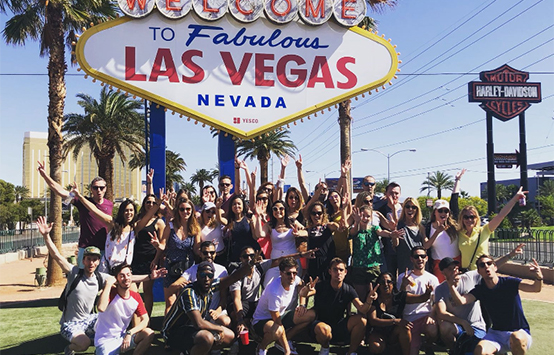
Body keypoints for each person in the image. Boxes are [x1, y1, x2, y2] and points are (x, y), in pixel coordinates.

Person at [36, 217, 164, 355]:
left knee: (113, 321)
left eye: (95, 259)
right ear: (83, 260)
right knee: (84, 343)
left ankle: (115, 342)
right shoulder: (74, 273)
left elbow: (126, 278)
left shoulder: (100, 277)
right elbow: (56, 256)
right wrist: (46, 235)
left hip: (90, 320)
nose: (91, 263)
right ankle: (70, 348)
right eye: (88, 259)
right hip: (71, 323)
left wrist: (150, 277)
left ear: (98, 262)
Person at [434, 245, 527, 354]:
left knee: (480, 350)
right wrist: (462, 322)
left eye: (455, 267)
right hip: (457, 325)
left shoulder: (470, 277)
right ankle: (454, 350)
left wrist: (510, 255)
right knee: (445, 327)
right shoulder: (440, 289)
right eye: (450, 269)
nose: (454, 270)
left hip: (476, 326)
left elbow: (490, 267)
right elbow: (441, 313)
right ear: (443, 273)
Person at [447, 254, 543, 355]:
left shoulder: (509, 283)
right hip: (496, 334)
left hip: (519, 331)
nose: (486, 267)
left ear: (495, 267)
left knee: (516, 338)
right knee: (480, 351)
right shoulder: (480, 289)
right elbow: (461, 301)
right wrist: (451, 286)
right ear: (479, 271)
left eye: (489, 263)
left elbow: (535, 288)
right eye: (482, 265)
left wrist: (539, 277)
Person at [161, 260, 256, 355]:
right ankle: (184, 350)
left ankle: (189, 351)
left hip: (191, 329)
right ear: (197, 276)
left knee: (229, 336)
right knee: (207, 338)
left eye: (210, 276)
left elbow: (233, 278)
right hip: (173, 332)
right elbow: (199, 323)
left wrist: (250, 264)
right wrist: (219, 329)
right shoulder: (189, 293)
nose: (206, 279)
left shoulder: (210, 286)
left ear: (213, 277)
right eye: (202, 275)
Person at [37, 161, 113, 268]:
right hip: (85, 249)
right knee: (82, 280)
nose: (99, 190)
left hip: (104, 250)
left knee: (103, 282)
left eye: (102, 188)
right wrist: (45, 175)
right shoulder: (82, 201)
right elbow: (61, 192)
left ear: (106, 188)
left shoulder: (110, 205)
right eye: (95, 188)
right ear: (91, 189)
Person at [71, 185, 161, 275]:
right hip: (108, 268)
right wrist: (79, 195)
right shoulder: (112, 224)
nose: (129, 213)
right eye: (126, 210)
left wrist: (158, 204)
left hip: (124, 269)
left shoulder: (134, 227)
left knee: (131, 289)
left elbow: (149, 215)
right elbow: (94, 210)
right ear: (121, 211)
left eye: (131, 210)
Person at [309, 258, 379, 355]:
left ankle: (351, 352)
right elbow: (304, 294)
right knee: (324, 330)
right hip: (320, 324)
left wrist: (369, 300)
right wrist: (303, 302)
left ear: (345, 272)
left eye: (341, 270)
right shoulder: (321, 286)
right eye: (335, 269)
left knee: (362, 320)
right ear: (330, 271)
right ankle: (325, 347)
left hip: (339, 325)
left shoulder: (348, 289)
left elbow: (362, 308)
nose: (338, 273)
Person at [251, 257, 315, 355]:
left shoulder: (295, 279)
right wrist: (287, 351)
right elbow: (278, 323)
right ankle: (262, 347)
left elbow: (302, 289)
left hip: (281, 315)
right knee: (277, 330)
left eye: (295, 273)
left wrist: (302, 303)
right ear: (281, 273)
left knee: (310, 315)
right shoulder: (274, 292)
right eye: (288, 273)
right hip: (262, 321)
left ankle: (281, 342)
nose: (292, 276)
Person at [457, 187, 527, 270]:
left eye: (472, 217)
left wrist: (514, 199)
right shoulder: (458, 234)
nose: (469, 220)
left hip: (483, 273)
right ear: (462, 218)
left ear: (476, 218)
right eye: (466, 217)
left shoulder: (484, 230)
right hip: (467, 275)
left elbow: (501, 215)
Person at [367, 272, 433, 355]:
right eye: (382, 282)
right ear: (378, 285)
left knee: (405, 328)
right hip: (378, 332)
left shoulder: (400, 296)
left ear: (393, 283)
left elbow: (421, 298)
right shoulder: (374, 298)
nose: (386, 284)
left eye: (389, 282)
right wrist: (395, 321)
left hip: (394, 333)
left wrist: (428, 293)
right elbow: (373, 320)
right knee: (376, 346)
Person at [94, 263, 155, 355]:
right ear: (116, 279)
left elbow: (145, 319)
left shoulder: (135, 296)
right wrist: (108, 284)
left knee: (148, 333)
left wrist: (130, 333)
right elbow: (101, 308)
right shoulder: (110, 293)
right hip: (105, 341)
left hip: (123, 337)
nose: (126, 278)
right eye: (122, 276)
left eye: (128, 275)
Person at [169, 241, 231, 328]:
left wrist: (217, 311)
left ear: (215, 254)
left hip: (214, 311)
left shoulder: (222, 270)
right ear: (200, 254)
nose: (209, 255)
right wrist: (180, 285)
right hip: (197, 312)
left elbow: (223, 298)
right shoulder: (192, 270)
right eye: (205, 253)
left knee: (226, 321)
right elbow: (172, 287)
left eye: (212, 252)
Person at [349, 205, 404, 302]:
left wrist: (391, 233)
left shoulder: (374, 228)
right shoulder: (355, 229)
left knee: (375, 296)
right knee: (361, 297)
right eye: (362, 216)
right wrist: (356, 222)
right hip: (359, 267)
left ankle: (374, 315)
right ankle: (362, 315)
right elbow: (353, 232)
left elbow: (382, 232)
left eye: (368, 216)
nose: (365, 218)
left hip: (373, 267)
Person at [154, 197, 199, 314]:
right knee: (170, 302)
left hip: (188, 269)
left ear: (192, 210)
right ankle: (167, 330)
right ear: (178, 211)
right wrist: (157, 244)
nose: (185, 212)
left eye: (188, 209)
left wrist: (210, 249)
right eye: (182, 209)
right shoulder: (171, 226)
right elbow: (163, 245)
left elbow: (196, 249)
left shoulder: (195, 228)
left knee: (187, 301)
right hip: (171, 267)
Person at [252, 199, 307, 286]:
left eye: (281, 208)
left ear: (285, 210)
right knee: (268, 284)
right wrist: (258, 216)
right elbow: (260, 234)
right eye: (275, 209)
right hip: (275, 260)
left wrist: (299, 233)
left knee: (292, 287)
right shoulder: (270, 225)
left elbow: (306, 232)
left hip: (292, 259)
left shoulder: (292, 221)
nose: (278, 211)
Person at [396, 246, 439, 355]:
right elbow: (399, 300)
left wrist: (432, 315)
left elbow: (437, 302)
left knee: (432, 329)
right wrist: (403, 285)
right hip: (409, 319)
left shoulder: (432, 279)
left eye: (422, 256)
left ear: (427, 258)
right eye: (416, 256)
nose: (420, 259)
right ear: (411, 259)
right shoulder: (402, 277)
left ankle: (428, 345)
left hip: (425, 316)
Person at [423, 169, 464, 281]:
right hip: (438, 265)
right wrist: (437, 232)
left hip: (456, 263)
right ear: (435, 212)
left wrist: (457, 180)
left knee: (456, 291)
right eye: (440, 211)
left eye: (446, 211)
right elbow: (426, 246)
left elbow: (454, 199)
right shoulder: (428, 227)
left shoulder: (453, 225)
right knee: (441, 291)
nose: (443, 213)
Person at [133, 193, 166, 317]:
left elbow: (162, 245)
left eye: (153, 202)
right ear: (144, 204)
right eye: (148, 202)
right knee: (133, 291)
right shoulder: (137, 220)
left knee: (147, 291)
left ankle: (147, 320)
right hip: (135, 259)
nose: (150, 205)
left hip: (151, 260)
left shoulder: (159, 223)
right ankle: (134, 319)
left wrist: (156, 260)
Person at [305, 201, 338, 282]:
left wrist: (334, 224)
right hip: (313, 265)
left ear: (323, 214)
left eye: (319, 213)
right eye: (314, 213)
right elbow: (301, 233)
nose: (316, 216)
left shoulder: (328, 227)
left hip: (327, 264)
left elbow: (336, 227)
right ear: (310, 215)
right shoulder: (308, 230)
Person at [222, 194, 260, 263]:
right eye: (234, 204)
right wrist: (217, 207)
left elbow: (255, 237)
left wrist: (252, 224)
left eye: (239, 204)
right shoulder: (230, 220)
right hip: (237, 253)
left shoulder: (249, 218)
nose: (236, 206)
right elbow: (220, 219)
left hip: (250, 252)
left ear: (243, 205)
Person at [375, 182, 403, 276]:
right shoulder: (381, 210)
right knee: (389, 275)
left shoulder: (406, 209)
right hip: (387, 249)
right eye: (391, 193)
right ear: (386, 194)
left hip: (403, 248)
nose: (394, 195)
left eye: (396, 193)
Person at [396, 197, 425, 272]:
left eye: (414, 207)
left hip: (420, 263)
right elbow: (395, 245)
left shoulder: (421, 226)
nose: (410, 209)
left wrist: (437, 232)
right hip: (405, 264)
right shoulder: (399, 225)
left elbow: (426, 245)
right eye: (407, 206)